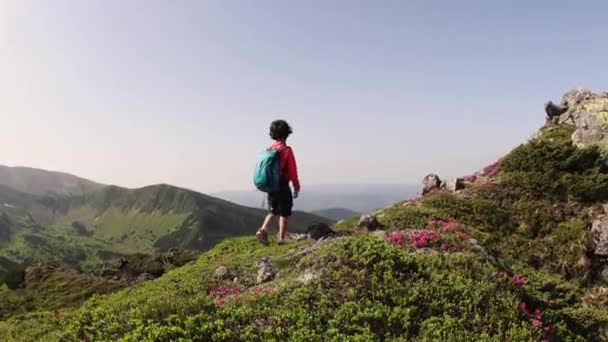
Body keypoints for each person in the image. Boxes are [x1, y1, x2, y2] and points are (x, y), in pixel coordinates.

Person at [256, 120, 300, 245]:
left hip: (271, 185)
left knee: (273, 211)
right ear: (287, 133)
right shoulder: (286, 150)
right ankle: (281, 238)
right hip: (282, 184)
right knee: (284, 212)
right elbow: (292, 171)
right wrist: (296, 186)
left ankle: (263, 229)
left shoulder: (268, 149)